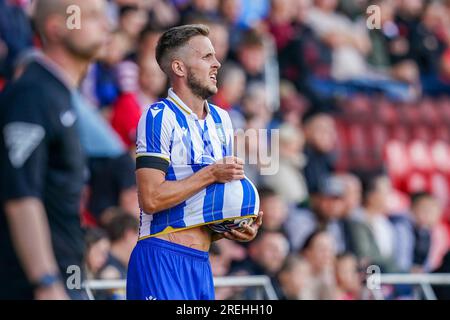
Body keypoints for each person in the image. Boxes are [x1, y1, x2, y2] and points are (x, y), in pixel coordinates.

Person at [126, 24, 263, 300]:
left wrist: (231, 228)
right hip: (161, 258)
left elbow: (203, 209)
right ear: (179, 68)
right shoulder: (158, 116)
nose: (217, 63)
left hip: (201, 264)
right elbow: (150, 199)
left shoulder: (222, 120)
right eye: (206, 57)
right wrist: (212, 173)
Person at [0, 0, 109, 300]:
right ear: (56, 28)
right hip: (33, 284)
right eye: (92, 16)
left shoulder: (59, 95)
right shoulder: (33, 94)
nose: (106, 25)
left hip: (67, 273)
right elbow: (21, 196)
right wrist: (45, 281)